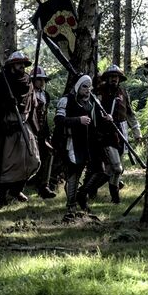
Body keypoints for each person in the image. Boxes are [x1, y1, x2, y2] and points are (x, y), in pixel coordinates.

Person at [0, 51, 40, 204]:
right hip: (8, 126)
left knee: (32, 160)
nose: (21, 66)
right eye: (18, 63)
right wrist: (6, 103)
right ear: (11, 65)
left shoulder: (28, 81)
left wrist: (36, 128)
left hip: (25, 125)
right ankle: (0, 193)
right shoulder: (2, 81)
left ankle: (16, 190)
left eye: (23, 63)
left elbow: (33, 104)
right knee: (7, 164)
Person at [55, 74, 110, 216]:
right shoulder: (66, 100)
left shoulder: (93, 101)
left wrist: (106, 119)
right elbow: (59, 120)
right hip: (73, 141)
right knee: (74, 173)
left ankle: (82, 194)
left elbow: (96, 122)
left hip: (91, 142)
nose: (87, 89)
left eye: (89, 87)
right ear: (78, 86)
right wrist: (78, 120)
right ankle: (71, 206)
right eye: (84, 86)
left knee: (102, 171)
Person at [91, 65, 142, 204]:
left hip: (122, 131)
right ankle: (93, 192)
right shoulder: (99, 91)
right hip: (106, 133)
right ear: (106, 78)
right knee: (116, 168)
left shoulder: (124, 92)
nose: (114, 78)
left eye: (116, 76)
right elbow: (93, 112)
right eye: (111, 76)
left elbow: (130, 114)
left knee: (112, 169)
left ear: (119, 78)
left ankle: (103, 195)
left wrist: (137, 133)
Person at [27, 66, 57, 199]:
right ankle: (20, 185)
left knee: (49, 153)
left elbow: (44, 116)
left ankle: (44, 185)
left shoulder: (46, 95)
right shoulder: (27, 93)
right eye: (38, 80)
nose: (41, 82)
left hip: (42, 132)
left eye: (43, 80)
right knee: (29, 157)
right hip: (29, 130)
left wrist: (46, 134)